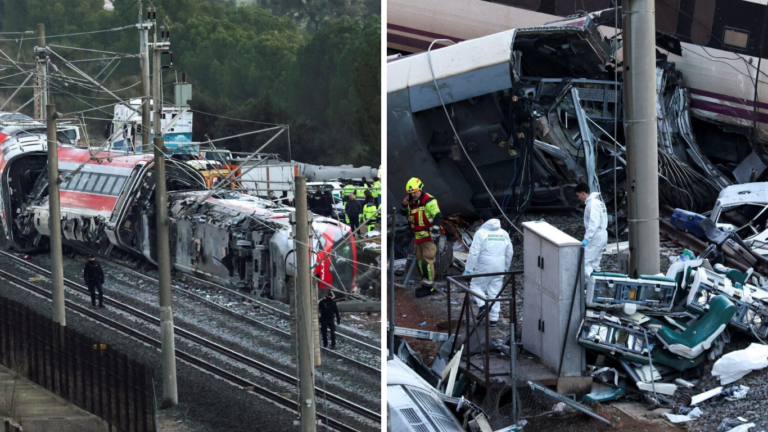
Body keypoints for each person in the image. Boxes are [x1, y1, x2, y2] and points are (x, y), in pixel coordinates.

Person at [463, 210, 514, 327]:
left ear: (482, 221)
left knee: (475, 286)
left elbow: (474, 253)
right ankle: (493, 319)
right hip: (500, 265)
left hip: (485, 264)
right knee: (495, 291)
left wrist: (468, 269)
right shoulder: (504, 233)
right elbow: (509, 252)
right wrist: (506, 267)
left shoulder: (481, 233)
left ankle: (482, 305)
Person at [401, 177, 443, 298]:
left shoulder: (429, 201)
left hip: (428, 237)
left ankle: (429, 287)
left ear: (420, 189)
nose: (413, 195)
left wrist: (435, 231)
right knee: (420, 262)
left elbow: (438, 216)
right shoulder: (412, 202)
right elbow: (405, 213)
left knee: (427, 262)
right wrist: (404, 205)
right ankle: (425, 283)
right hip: (418, 236)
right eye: (410, 193)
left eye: (415, 192)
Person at [575, 182, 608, 276]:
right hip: (603, 235)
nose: (578, 198)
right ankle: (596, 287)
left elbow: (594, 223)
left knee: (585, 263)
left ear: (583, 193)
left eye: (578, 195)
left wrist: (587, 238)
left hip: (595, 236)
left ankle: (589, 287)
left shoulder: (592, 204)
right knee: (595, 264)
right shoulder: (599, 203)